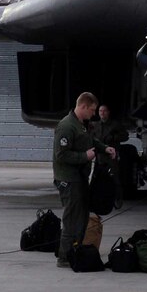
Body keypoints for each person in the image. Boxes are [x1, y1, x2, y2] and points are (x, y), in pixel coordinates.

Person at [52, 91, 100, 267]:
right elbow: (61, 155)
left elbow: (90, 141)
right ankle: (64, 257)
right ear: (83, 106)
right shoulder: (67, 126)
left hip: (79, 179)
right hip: (69, 180)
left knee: (82, 218)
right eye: (92, 110)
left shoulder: (81, 125)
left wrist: (104, 148)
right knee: (71, 218)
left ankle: (76, 250)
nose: (93, 114)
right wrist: (84, 157)